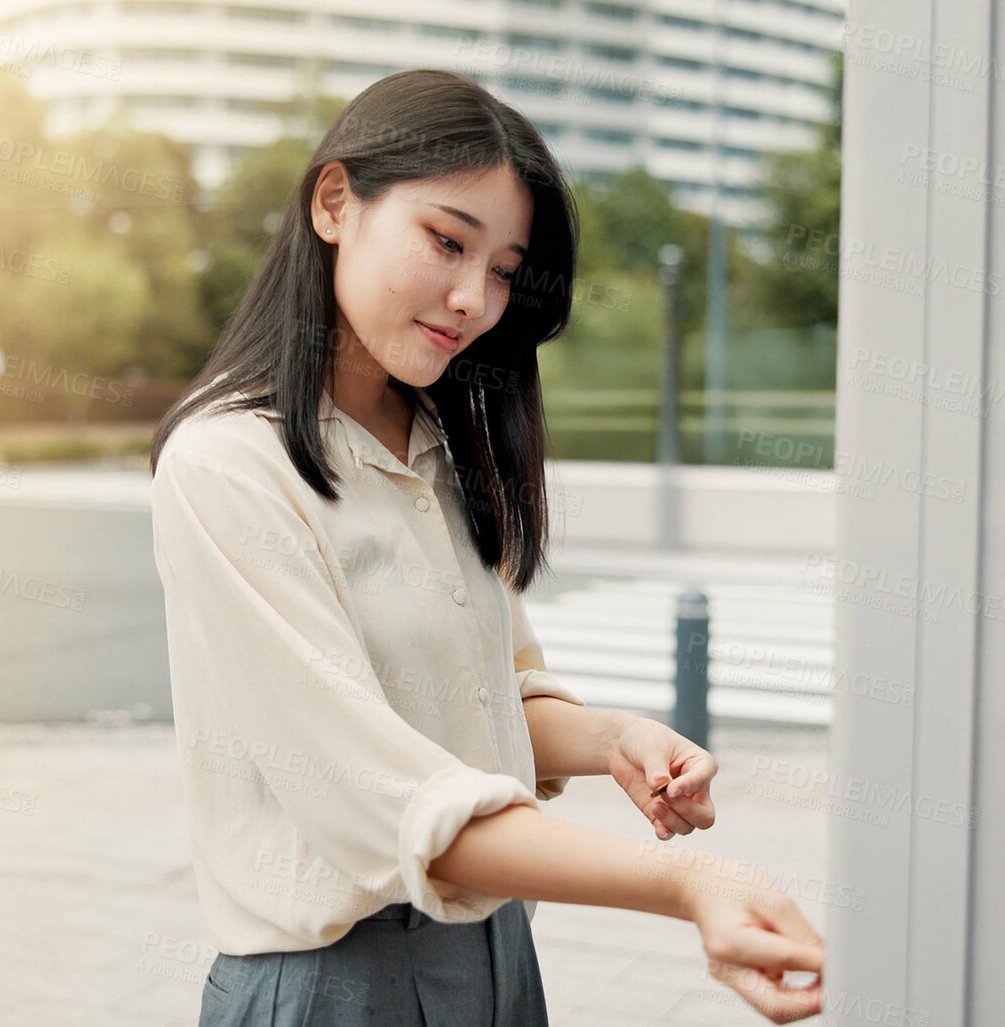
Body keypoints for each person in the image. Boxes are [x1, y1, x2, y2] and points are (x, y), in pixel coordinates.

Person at [148, 69, 823, 1026]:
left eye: (503, 269)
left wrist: (613, 739)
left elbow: (484, 693)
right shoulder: (228, 465)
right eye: (445, 241)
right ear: (336, 203)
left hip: (500, 958)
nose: (473, 298)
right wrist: (687, 884)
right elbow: (386, 796)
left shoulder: (441, 442)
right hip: (333, 983)